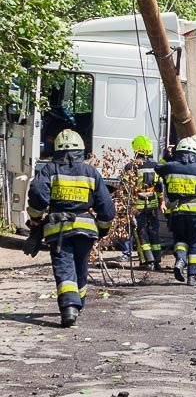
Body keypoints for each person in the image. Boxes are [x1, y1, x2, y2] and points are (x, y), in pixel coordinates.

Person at [25, 129, 115, 327]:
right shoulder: (90, 172)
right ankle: (78, 303)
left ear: (56, 149)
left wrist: (35, 218)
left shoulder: (49, 170)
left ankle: (69, 308)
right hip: (86, 230)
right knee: (80, 268)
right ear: (81, 149)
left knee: (64, 268)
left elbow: (37, 193)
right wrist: (103, 228)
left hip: (58, 230)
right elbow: (106, 207)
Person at [156, 136, 196, 286]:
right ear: (195, 153)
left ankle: (180, 259)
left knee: (180, 239)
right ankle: (192, 277)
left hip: (177, 211)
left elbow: (158, 168)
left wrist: (167, 156)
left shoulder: (169, 167)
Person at [124, 135, 164, 269]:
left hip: (138, 205)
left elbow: (126, 188)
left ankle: (147, 261)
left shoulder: (131, 166)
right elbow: (160, 186)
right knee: (154, 230)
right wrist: (162, 201)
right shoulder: (156, 165)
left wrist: (127, 204)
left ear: (137, 150)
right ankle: (157, 260)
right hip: (153, 203)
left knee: (140, 231)